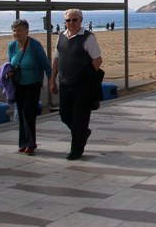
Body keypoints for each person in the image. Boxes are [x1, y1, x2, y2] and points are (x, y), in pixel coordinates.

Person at [50, 9, 103, 161]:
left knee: (80, 118)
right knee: (65, 115)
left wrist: (86, 77)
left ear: (81, 21)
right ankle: (82, 133)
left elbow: (97, 60)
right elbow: (56, 60)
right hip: (65, 84)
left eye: (75, 20)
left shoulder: (88, 38)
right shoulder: (61, 37)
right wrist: (52, 80)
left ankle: (76, 149)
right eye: (68, 20)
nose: (71, 23)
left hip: (83, 87)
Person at [8, 19, 51, 155]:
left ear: (27, 31)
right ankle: (23, 142)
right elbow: (10, 64)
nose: (16, 33)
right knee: (20, 113)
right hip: (18, 85)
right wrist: (8, 73)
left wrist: (51, 82)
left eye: (19, 30)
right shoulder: (12, 46)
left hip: (33, 84)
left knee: (28, 113)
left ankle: (31, 143)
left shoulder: (35, 45)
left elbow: (46, 65)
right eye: (14, 31)